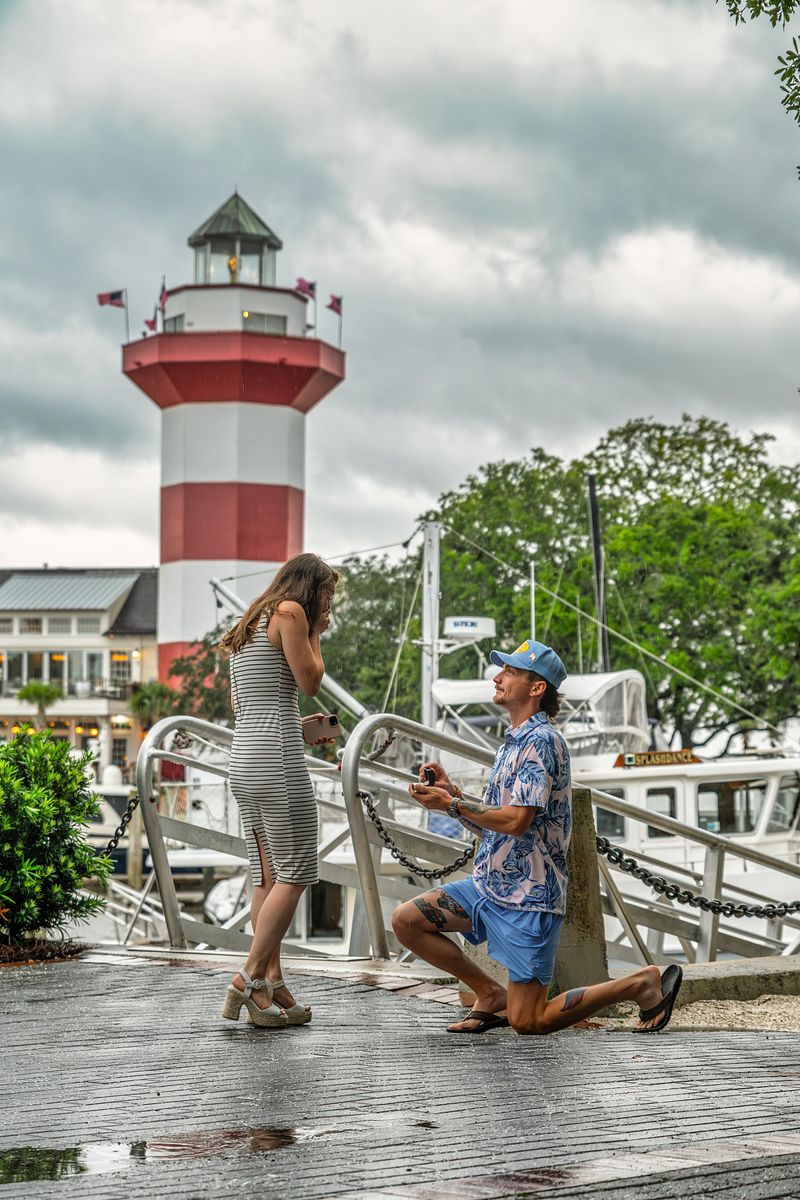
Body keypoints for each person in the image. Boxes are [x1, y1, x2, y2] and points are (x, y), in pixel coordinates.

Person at [392, 637, 683, 1035]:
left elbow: (516, 822)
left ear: (536, 687)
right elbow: (496, 823)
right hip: (489, 888)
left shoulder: (541, 742)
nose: (497, 678)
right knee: (407, 921)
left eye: (509, 672)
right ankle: (489, 994)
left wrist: (451, 807)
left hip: (529, 898)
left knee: (530, 1021)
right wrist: (453, 796)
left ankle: (639, 983)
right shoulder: (512, 744)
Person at [218, 553, 338, 1028]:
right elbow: (309, 682)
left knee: (266, 880)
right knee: (297, 873)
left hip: (245, 761)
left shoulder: (248, 624)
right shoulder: (292, 613)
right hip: (278, 764)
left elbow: (253, 704)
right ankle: (247, 979)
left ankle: (272, 984)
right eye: (327, 593)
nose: (328, 603)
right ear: (311, 587)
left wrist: (299, 727)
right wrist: (316, 632)